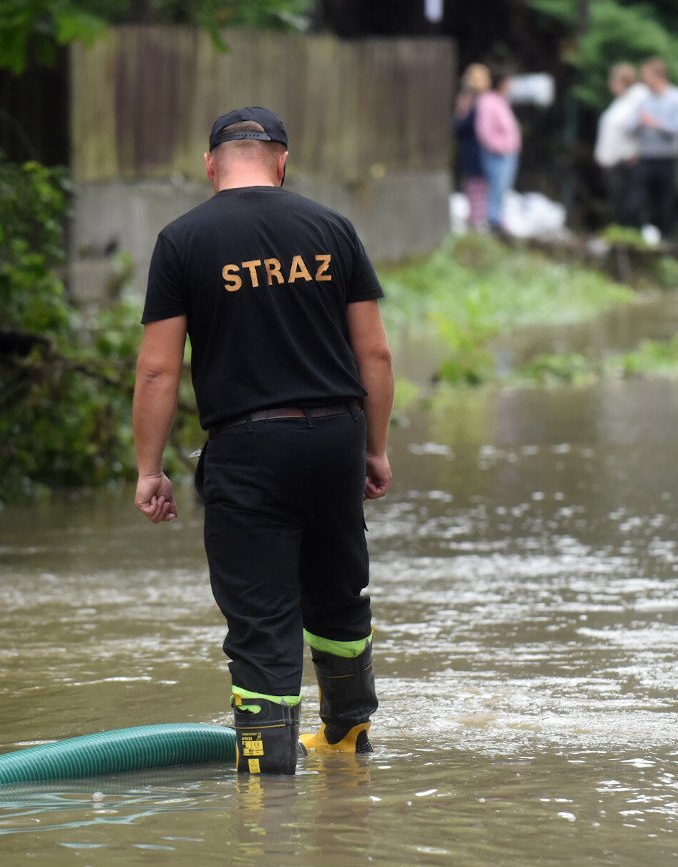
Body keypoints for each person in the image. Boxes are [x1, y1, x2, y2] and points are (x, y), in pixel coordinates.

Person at [131, 106, 394, 776]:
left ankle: (266, 782)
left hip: (248, 446)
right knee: (338, 591)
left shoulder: (183, 239)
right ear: (282, 161)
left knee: (261, 619)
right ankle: (348, 740)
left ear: (210, 164)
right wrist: (375, 448)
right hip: (336, 435)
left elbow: (159, 367)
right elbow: (376, 357)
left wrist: (148, 468)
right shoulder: (332, 228)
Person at [626, 58, 678, 238]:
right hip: (645, 157)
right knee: (637, 199)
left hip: (667, 159)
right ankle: (636, 236)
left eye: (646, 76)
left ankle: (666, 239)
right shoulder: (644, 99)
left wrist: (656, 124)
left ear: (658, 76)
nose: (644, 81)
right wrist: (640, 123)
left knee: (664, 202)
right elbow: (630, 125)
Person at [593, 63, 648, 227]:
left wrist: (636, 151)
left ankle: (630, 235)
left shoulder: (638, 98)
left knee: (629, 205)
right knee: (617, 203)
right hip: (610, 161)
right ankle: (621, 234)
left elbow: (642, 127)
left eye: (613, 80)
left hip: (626, 161)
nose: (610, 84)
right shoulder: (619, 102)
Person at [474, 66, 522, 236]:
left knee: (502, 189)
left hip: (507, 153)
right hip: (497, 154)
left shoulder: (501, 101)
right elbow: (485, 131)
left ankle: (500, 219)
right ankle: (493, 221)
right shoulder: (488, 101)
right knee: (496, 188)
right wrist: (499, 147)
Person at [454, 63, 492, 231]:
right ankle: (475, 219)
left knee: (478, 184)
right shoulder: (469, 101)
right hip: (472, 150)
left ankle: (477, 219)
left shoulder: (482, 102)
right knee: (473, 183)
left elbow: (462, 126)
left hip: (480, 151)